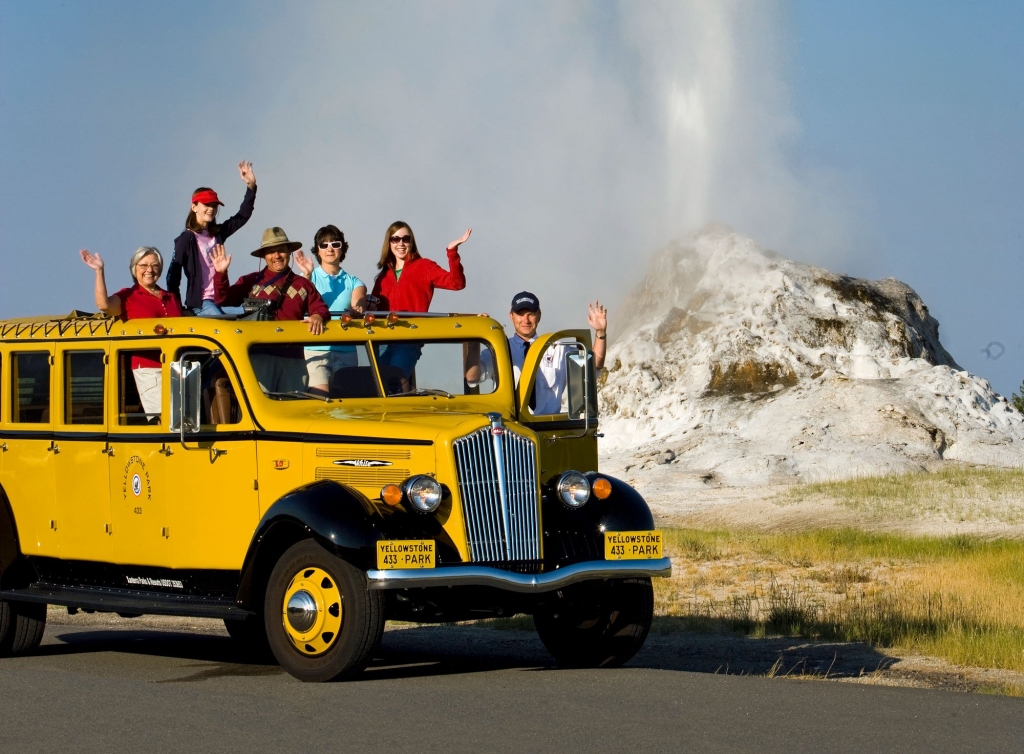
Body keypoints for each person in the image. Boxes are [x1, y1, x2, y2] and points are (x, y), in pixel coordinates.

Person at [211, 227, 330, 393]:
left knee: (293, 411)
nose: (276, 256)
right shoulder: (250, 281)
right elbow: (222, 300)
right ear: (264, 256)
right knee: (260, 410)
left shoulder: (303, 284)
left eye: (281, 249)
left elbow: (320, 307)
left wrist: (318, 316)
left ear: (289, 251)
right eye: (271, 251)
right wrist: (221, 274)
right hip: (258, 357)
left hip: (293, 359)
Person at [79, 246, 183, 419]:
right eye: (143, 265)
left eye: (155, 266)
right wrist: (99, 271)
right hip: (150, 369)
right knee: (165, 419)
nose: (149, 270)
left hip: (178, 367)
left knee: (184, 418)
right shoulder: (128, 296)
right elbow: (104, 305)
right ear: (134, 269)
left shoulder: (170, 297)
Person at [466, 292, 607, 415]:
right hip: (513, 432)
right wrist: (475, 339)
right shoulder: (499, 349)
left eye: (531, 314)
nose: (526, 320)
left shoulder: (558, 348)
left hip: (547, 431)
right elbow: (472, 377)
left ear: (539, 315)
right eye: (520, 314)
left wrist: (600, 333)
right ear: (511, 316)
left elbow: (594, 365)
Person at [370, 221, 472, 380]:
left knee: (394, 382)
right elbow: (375, 309)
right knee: (377, 387)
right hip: (382, 340)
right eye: (395, 239)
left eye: (406, 239)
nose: (401, 243)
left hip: (409, 338)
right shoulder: (383, 276)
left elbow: (456, 283)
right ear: (389, 243)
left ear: (411, 242)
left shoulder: (424, 266)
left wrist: (452, 252)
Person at [167, 160, 257, 317]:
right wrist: (178, 309)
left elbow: (242, 216)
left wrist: (251, 187)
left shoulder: (217, 233)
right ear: (194, 207)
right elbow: (173, 277)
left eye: (214, 206)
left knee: (255, 315)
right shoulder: (186, 238)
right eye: (206, 205)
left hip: (221, 300)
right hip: (201, 304)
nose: (211, 209)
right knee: (226, 328)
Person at [293, 225, 367, 394]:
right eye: (324, 245)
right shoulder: (308, 277)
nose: (330, 249)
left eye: (335, 244)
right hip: (315, 350)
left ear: (342, 249)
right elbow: (299, 301)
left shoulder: (353, 280)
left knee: (346, 405)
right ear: (317, 251)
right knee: (321, 402)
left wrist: (359, 306)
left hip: (346, 351)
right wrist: (306, 275)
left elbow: (359, 297)